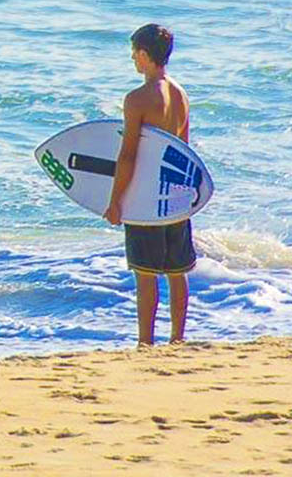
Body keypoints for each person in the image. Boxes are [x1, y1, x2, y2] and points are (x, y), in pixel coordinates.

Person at [103, 23, 196, 347]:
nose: (132, 59)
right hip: (174, 196)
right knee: (176, 271)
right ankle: (177, 339)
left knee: (145, 273)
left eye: (134, 53)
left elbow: (128, 155)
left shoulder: (138, 98)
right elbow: (185, 152)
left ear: (144, 54)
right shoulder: (181, 95)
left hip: (145, 198)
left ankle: (145, 342)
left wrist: (115, 201)